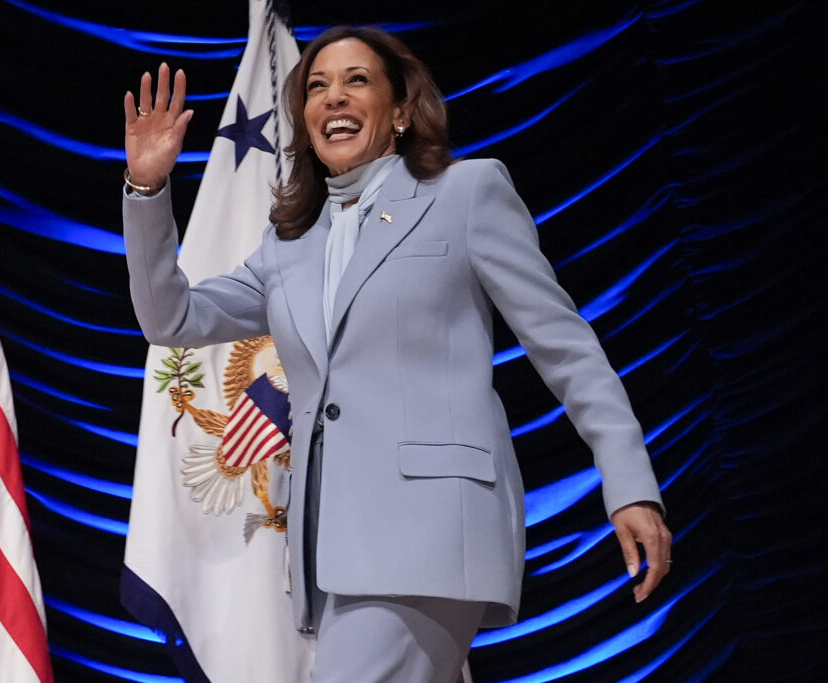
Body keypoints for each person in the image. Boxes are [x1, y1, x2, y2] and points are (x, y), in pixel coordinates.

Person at [122, 26, 672, 683]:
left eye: (357, 80)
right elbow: (170, 317)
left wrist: (630, 482)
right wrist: (148, 192)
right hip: (332, 552)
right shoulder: (287, 245)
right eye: (317, 87)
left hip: (433, 531)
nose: (333, 98)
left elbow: (567, 348)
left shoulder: (466, 194)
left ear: (403, 111)